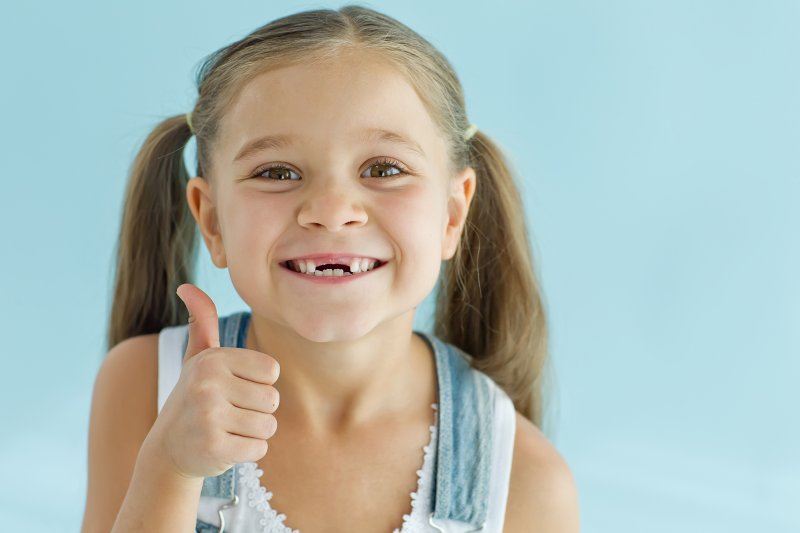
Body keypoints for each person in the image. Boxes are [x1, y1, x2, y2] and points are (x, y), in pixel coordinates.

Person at [82, 5, 579, 532]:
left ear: (453, 214)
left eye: (384, 169)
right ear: (213, 220)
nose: (331, 209)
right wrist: (170, 466)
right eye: (277, 172)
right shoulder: (143, 386)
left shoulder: (527, 482)